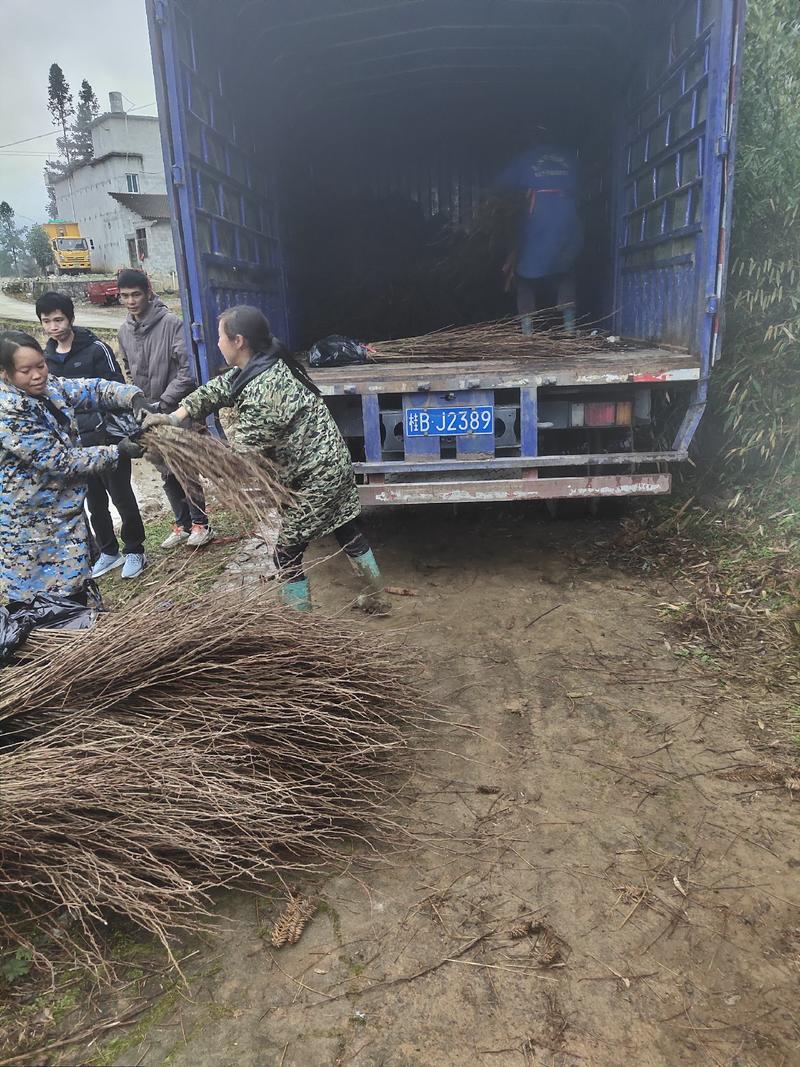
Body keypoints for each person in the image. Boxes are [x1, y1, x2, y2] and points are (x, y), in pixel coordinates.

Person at [142, 305, 389, 614]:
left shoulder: (264, 394)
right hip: (328, 465)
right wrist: (173, 419)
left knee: (285, 555)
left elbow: (235, 461)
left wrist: (171, 444)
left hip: (316, 479)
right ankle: (377, 597)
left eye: (220, 337)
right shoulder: (261, 363)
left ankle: (299, 627)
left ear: (239, 341)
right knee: (346, 529)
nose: (217, 343)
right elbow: (218, 389)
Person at [0, 330, 148, 606]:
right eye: (26, 370)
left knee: (77, 589)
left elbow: (90, 389)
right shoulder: (8, 411)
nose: (37, 375)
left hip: (63, 515)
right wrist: (118, 450)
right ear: (5, 373)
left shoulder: (48, 388)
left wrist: (132, 398)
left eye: (40, 365)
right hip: (32, 530)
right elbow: (60, 460)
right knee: (47, 604)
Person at [36, 291, 148, 580]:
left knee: (121, 495)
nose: (53, 327)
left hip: (108, 436)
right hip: (76, 444)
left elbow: (114, 389)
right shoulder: (45, 359)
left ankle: (135, 549)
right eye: (46, 321)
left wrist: (120, 429)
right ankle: (109, 551)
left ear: (70, 318)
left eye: (58, 319)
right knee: (92, 501)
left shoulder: (96, 348)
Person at [116, 268, 213, 548]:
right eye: (125, 296)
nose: (131, 301)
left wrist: (164, 404)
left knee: (184, 468)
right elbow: (129, 371)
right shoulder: (124, 331)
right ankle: (181, 524)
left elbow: (187, 371)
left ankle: (200, 524)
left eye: (136, 294)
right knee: (164, 469)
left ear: (148, 293)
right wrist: (140, 402)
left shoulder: (172, 324)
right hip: (147, 415)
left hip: (174, 411)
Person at [498, 142, 583, 335]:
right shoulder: (570, 156)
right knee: (567, 274)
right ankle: (570, 331)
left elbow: (501, 184)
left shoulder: (525, 158)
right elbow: (582, 183)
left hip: (539, 219)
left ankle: (528, 335)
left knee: (525, 280)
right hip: (568, 220)